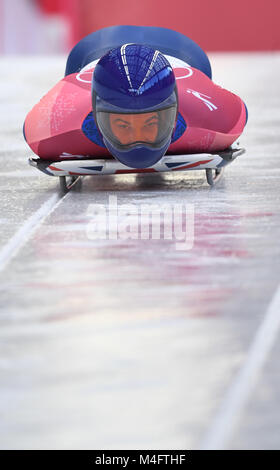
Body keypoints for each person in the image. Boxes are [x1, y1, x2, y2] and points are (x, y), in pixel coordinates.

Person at [23, 25, 247, 169]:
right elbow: (242, 110)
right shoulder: (55, 124)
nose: (138, 139)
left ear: (174, 109)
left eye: (150, 123)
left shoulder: (217, 117)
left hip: (182, 52)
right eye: (122, 124)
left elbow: (239, 110)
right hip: (94, 50)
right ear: (97, 114)